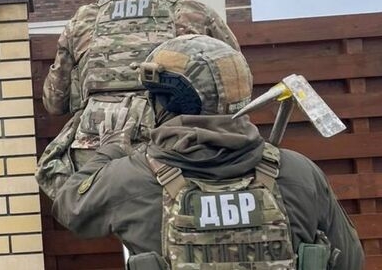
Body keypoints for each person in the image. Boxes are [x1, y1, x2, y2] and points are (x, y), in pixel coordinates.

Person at [51, 35, 364, 269]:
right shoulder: (298, 173)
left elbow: (70, 206)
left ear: (165, 102)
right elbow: (350, 261)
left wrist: (110, 150)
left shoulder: (129, 179)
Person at [36, 0, 240, 199]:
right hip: (173, 148)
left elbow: (54, 102)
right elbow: (236, 82)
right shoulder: (193, 10)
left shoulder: (84, 19)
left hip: (94, 153)